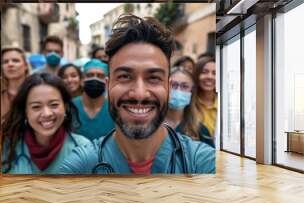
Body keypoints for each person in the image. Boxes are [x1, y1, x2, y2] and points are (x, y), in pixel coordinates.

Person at [59, 14, 215, 174]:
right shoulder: (80, 166)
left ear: (168, 88)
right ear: (108, 86)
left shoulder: (202, 162)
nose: (140, 94)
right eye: (125, 77)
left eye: (153, 78)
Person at [1, 73, 91, 174]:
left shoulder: (83, 148)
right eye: (36, 107)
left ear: (65, 107)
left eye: (54, 105)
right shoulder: (7, 146)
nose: (46, 113)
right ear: (25, 111)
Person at [165, 67, 214, 147]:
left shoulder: (200, 131)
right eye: (173, 85)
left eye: (184, 86)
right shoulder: (152, 125)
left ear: (191, 91)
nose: (178, 90)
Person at [72, 59, 115, 141]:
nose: (95, 79)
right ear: (82, 81)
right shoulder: (70, 107)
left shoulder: (114, 109)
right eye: (90, 75)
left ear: (107, 82)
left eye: (100, 76)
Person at [1, 47, 29, 123]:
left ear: (25, 65)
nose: (10, 64)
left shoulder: (36, 91)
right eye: (5, 62)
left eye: (15, 61)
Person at [192, 57, 217, 138]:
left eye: (215, 73)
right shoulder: (187, 103)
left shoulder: (226, 105)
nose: (210, 77)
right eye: (204, 72)